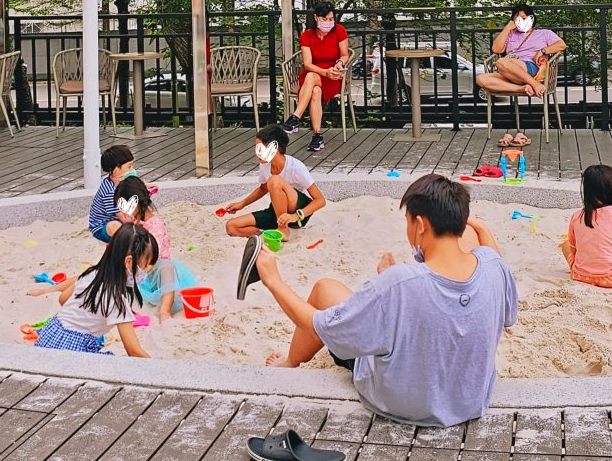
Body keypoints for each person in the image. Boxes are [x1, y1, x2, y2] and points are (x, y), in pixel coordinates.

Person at [240, 173, 517, 428]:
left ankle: (289, 362)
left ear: (420, 225)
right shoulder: (494, 267)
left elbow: (319, 325)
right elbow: (506, 309)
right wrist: (479, 227)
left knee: (325, 290)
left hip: (402, 402)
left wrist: (273, 280)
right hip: (469, 401)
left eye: (409, 222)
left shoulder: (398, 283)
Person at [28, 222, 156, 355]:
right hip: (70, 351)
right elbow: (134, 351)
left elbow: (63, 299)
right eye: (146, 266)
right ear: (129, 262)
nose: (147, 271)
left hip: (50, 336)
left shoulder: (92, 274)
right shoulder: (117, 299)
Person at [110, 175, 197, 321]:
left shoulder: (155, 226)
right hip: (137, 268)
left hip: (155, 271)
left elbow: (151, 259)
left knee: (167, 267)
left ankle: (165, 311)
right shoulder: (134, 220)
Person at [225, 125, 326, 243]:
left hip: (298, 211)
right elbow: (263, 188)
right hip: (277, 212)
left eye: (260, 148)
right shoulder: (265, 165)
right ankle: (270, 233)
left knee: (274, 180)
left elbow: (320, 200)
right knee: (231, 226)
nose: (257, 152)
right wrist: (242, 204)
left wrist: (296, 216)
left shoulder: (296, 167)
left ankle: (283, 230)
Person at [281, 2, 350, 152]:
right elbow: (307, 64)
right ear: (316, 18)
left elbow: (345, 54)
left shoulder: (339, 30)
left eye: (331, 19)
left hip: (333, 74)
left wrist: (338, 64)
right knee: (315, 89)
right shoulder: (307, 35)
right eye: (324, 19)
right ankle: (316, 135)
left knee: (312, 79)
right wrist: (324, 72)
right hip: (314, 74)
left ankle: (295, 118)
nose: (328, 23)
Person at [477, 3, 566, 100]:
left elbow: (562, 45)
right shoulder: (510, 34)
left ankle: (534, 83)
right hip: (510, 71)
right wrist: (507, 28)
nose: (520, 22)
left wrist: (542, 51)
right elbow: (496, 49)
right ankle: (523, 88)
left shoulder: (544, 33)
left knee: (501, 62)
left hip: (531, 67)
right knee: (481, 79)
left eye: (523, 18)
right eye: (517, 19)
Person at [89, 144, 136, 243]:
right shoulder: (109, 191)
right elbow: (119, 214)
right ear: (116, 171)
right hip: (102, 226)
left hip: (116, 216)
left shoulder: (120, 181)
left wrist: (147, 186)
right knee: (115, 226)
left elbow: (136, 186)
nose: (132, 169)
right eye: (129, 166)